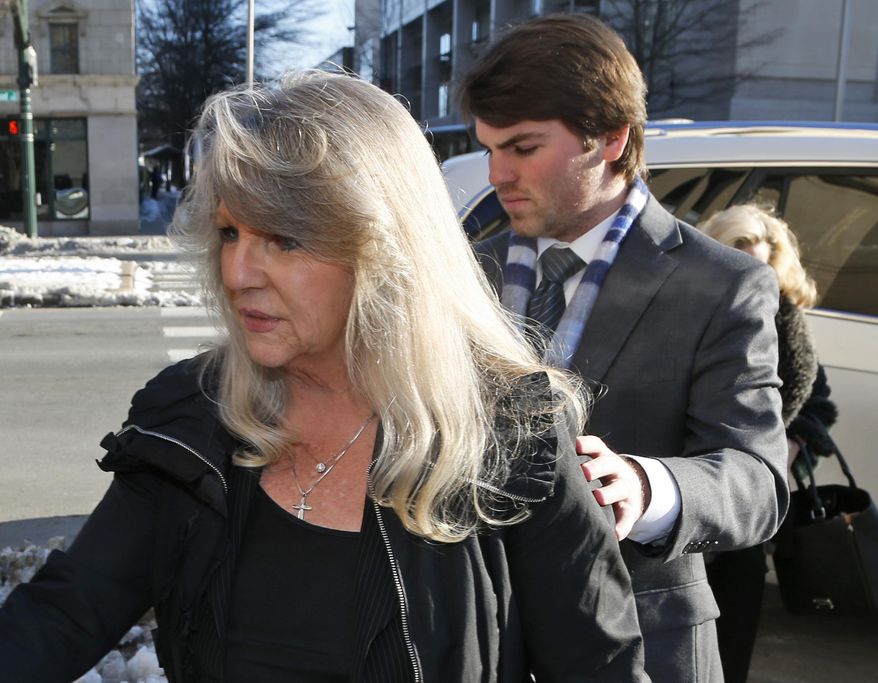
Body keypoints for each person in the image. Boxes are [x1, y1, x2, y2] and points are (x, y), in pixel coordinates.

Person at [0, 71, 647, 681]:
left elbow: (600, 666)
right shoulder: (190, 419)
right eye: (229, 232)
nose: (238, 273)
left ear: (385, 250)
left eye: (283, 239)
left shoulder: (510, 431)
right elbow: (65, 612)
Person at [458, 14, 789, 682]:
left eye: (522, 147)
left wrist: (646, 485)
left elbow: (760, 480)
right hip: (480, 636)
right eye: (488, 148)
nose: (497, 173)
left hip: (645, 643)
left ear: (611, 137)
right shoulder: (465, 271)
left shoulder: (722, 283)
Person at [698, 203, 838, 683]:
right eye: (738, 259)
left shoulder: (785, 319)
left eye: (761, 266)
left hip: (749, 509)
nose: (751, 277)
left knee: (734, 633)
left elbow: (818, 405)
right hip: (684, 490)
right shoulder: (689, 306)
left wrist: (791, 445)